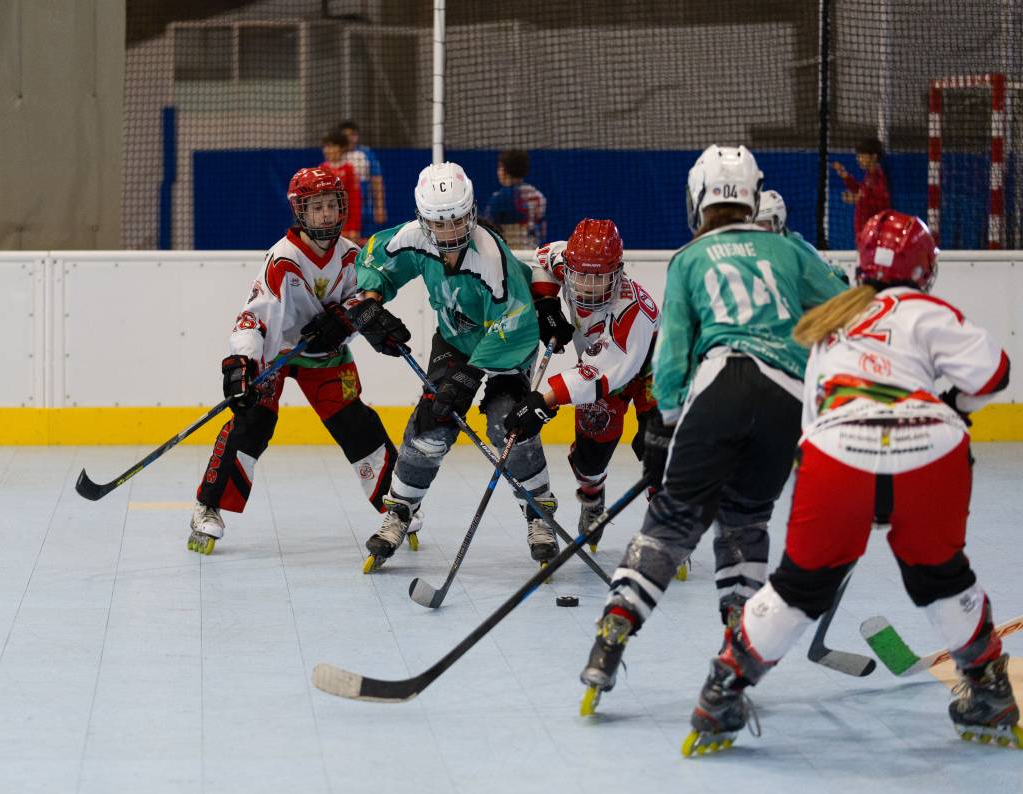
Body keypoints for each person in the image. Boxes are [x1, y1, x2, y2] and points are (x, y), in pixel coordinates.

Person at [682, 210, 1017, 755]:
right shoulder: (930, 311)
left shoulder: (829, 324)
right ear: (925, 269)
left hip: (838, 453)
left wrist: (853, 491)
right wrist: (952, 406)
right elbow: (994, 373)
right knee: (942, 577)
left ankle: (723, 689)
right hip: (931, 451)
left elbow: (813, 424)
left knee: (797, 589)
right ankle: (989, 688)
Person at [578, 145, 848, 715]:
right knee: (745, 524)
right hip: (787, 402)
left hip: (719, 391)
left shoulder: (689, 259)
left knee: (672, 523)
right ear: (750, 195)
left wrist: (663, 429)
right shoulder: (785, 248)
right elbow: (846, 312)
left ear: (698, 198)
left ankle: (611, 637)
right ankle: (736, 648)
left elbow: (672, 354)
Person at [347, 161, 556, 573]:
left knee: (508, 424)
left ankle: (538, 514)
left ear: (472, 212)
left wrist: (470, 376)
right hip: (457, 340)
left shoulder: (491, 258)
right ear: (424, 220)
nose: (450, 234)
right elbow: (375, 258)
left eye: (458, 221)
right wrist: (370, 302)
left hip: (507, 347)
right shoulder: (413, 238)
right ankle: (399, 511)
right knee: (432, 424)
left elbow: (515, 326)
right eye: (439, 224)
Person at [188, 168, 407, 555]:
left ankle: (396, 503)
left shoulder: (352, 256)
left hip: (325, 356)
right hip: (276, 353)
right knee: (252, 423)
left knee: (356, 423)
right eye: (316, 207)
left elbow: (366, 298)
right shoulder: (283, 260)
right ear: (299, 212)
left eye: (331, 205)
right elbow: (253, 316)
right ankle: (208, 505)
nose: (325, 215)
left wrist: (347, 318)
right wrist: (240, 362)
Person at [503, 219, 662, 555]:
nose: (588, 286)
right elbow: (543, 259)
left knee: (657, 448)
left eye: (599, 277)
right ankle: (592, 498)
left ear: (618, 271)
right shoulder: (569, 259)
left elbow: (599, 375)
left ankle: (665, 525)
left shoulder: (631, 310)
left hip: (651, 369)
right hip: (600, 373)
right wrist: (546, 304)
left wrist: (542, 401)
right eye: (580, 276)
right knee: (591, 458)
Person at [486, 149, 547, 250]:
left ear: (504, 170)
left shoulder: (499, 199)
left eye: (500, 167)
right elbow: (543, 233)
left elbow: (488, 233)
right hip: (534, 255)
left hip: (511, 258)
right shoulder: (538, 196)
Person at [832, 137, 891, 241]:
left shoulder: (877, 178)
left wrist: (856, 199)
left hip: (873, 236)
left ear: (874, 157)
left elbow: (881, 202)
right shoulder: (869, 177)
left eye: (863, 156)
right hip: (864, 233)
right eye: (858, 156)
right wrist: (844, 175)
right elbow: (860, 191)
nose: (859, 159)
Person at [339, 120, 387, 237]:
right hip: (342, 211)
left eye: (353, 135)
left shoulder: (366, 154)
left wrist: (380, 208)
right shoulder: (336, 154)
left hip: (365, 210)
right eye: (346, 136)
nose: (350, 139)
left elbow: (377, 182)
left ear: (357, 136)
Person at [320, 129, 362, 242]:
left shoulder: (349, 170)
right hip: (327, 224)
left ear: (342, 148)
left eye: (332, 146)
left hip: (347, 226)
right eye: (325, 147)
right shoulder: (321, 170)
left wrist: (354, 228)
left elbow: (355, 200)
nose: (327, 150)